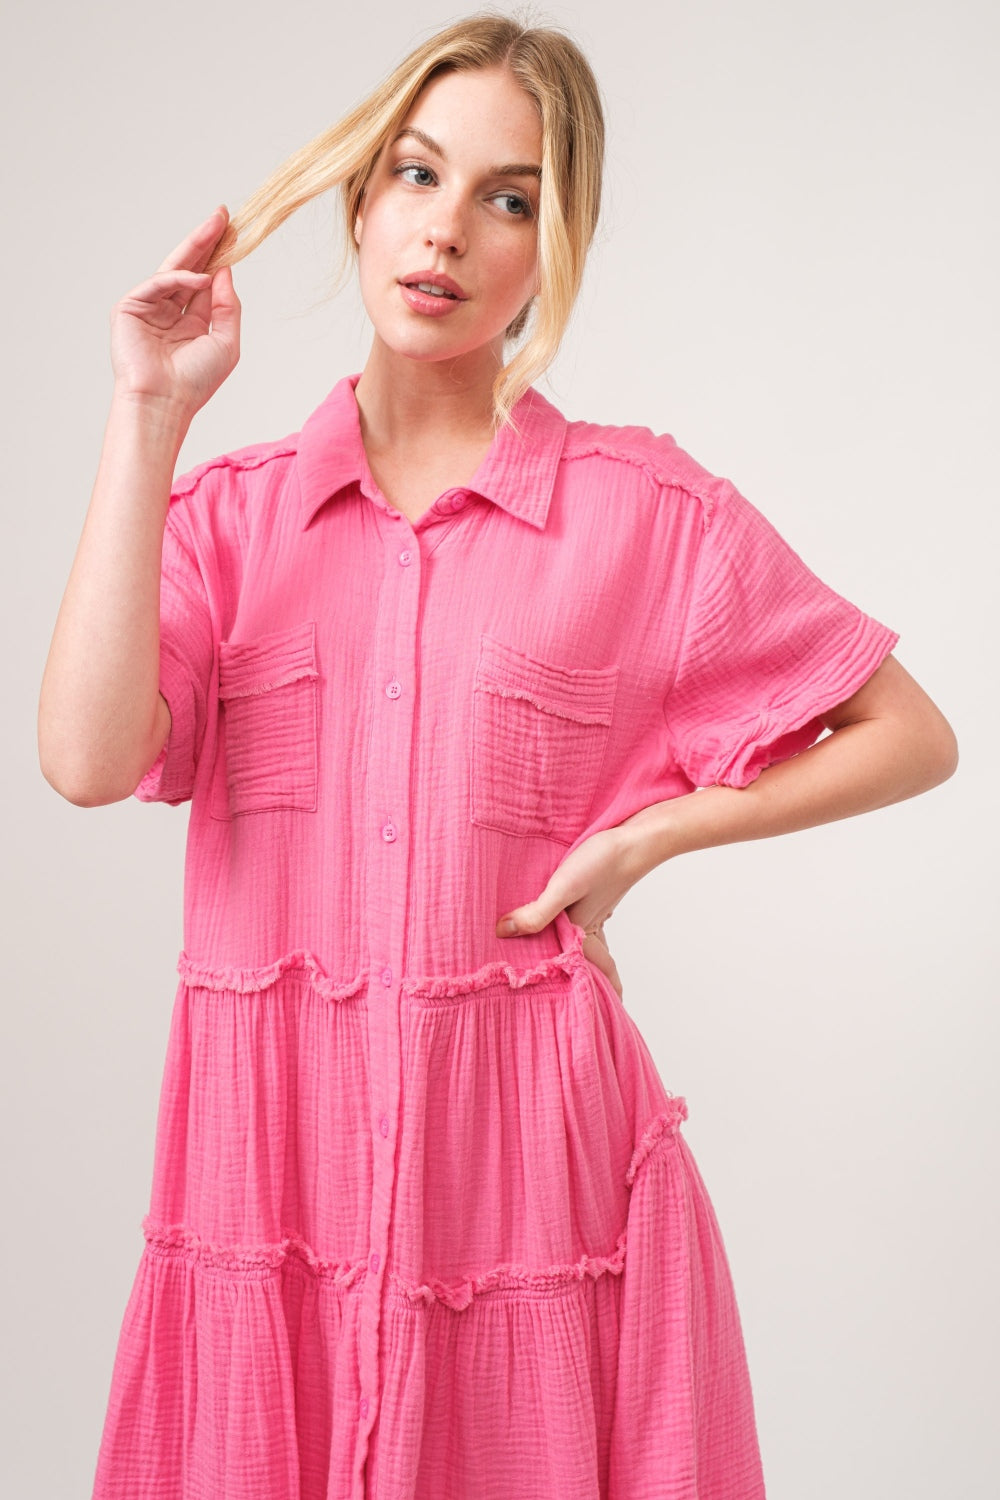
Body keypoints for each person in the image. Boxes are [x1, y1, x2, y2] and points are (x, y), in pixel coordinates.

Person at [38, 12, 958, 1500]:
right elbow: (84, 759)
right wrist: (148, 411)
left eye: (510, 196)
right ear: (358, 203)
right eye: (415, 174)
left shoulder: (646, 517)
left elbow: (910, 735)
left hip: (533, 1189)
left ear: (557, 244)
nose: (448, 229)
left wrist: (652, 835)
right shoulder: (228, 515)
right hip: (271, 1174)